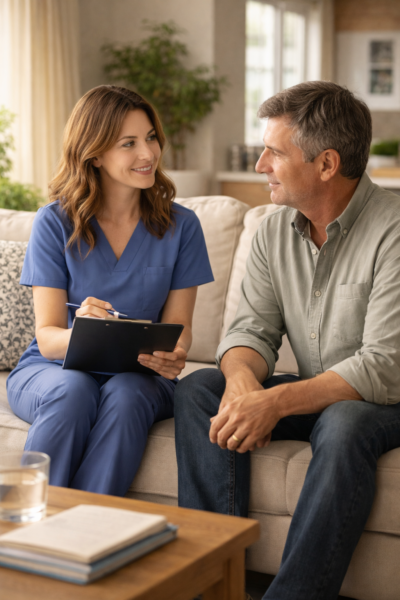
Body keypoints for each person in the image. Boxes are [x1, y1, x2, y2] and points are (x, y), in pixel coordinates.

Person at [174, 81, 400, 600]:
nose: (260, 165)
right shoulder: (272, 232)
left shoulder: (392, 230)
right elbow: (250, 330)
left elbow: (383, 365)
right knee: (198, 390)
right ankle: (213, 582)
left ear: (326, 164)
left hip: (385, 399)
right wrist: (240, 384)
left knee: (345, 420)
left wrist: (271, 401)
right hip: (319, 389)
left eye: (274, 152)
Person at [7, 85, 213, 496]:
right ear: (95, 153)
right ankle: (26, 529)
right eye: (129, 143)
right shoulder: (55, 222)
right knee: (74, 391)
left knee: (127, 393)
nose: (148, 154)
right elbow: (48, 338)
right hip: (56, 369)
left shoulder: (182, 226)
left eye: (151, 138)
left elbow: (180, 328)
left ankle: (88, 528)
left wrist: (174, 353)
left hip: (140, 375)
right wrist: (82, 332)